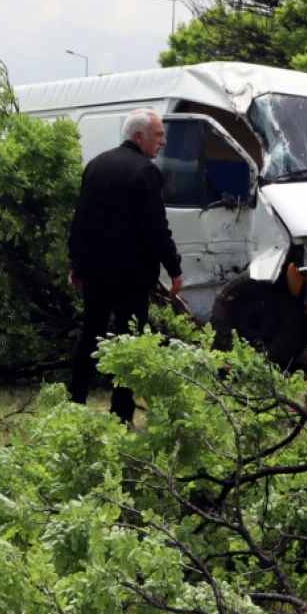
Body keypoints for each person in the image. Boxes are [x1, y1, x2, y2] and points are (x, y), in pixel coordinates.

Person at [66, 109, 184, 424]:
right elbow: (156, 228)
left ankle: (74, 403)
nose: (163, 141)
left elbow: (80, 220)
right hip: (130, 276)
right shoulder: (145, 172)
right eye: (158, 135)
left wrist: (75, 263)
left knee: (89, 334)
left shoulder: (96, 164)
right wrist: (174, 268)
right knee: (128, 342)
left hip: (95, 271)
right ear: (139, 136)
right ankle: (121, 415)